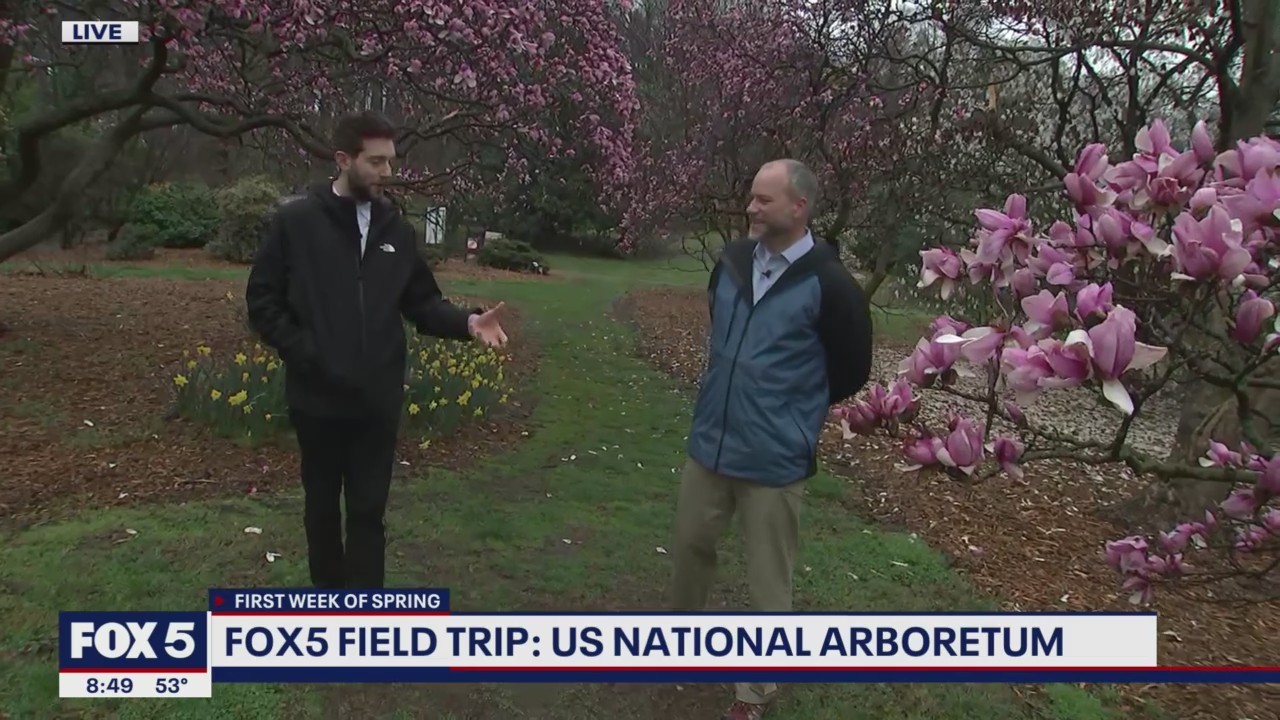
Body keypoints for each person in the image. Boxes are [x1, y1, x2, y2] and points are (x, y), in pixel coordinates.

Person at [244, 110, 509, 590]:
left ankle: (367, 616)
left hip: (377, 403)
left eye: (390, 161)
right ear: (343, 160)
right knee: (322, 511)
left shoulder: (395, 230)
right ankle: (329, 612)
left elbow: (421, 303)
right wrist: (305, 352)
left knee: (368, 514)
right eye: (375, 162)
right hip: (317, 400)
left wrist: (468, 322)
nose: (387, 172)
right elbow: (263, 301)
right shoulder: (297, 223)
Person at [670, 159, 873, 720]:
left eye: (764, 200)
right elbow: (722, 331)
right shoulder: (732, 263)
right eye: (752, 198)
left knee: (766, 579)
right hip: (711, 441)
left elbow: (851, 370)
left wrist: (791, 411)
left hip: (775, 455)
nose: (751, 208)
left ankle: (753, 692)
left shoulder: (831, 286)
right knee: (689, 547)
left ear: (799, 208)